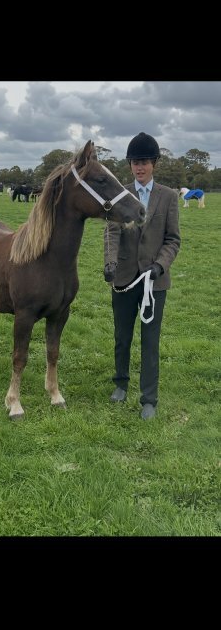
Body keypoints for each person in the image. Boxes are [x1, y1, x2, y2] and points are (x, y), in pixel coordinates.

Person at [103, 132, 180, 419]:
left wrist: (159, 265)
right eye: (135, 162)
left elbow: (172, 239)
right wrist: (110, 263)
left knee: (150, 340)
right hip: (124, 279)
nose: (140, 167)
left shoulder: (168, 197)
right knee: (122, 336)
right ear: (130, 165)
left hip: (154, 282)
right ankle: (120, 384)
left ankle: (149, 398)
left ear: (154, 164)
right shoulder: (120, 194)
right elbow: (111, 232)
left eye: (145, 162)